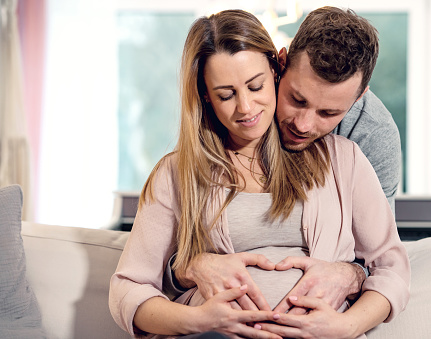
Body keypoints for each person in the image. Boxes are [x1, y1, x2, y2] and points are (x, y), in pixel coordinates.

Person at [109, 8, 410, 339]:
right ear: (281, 67)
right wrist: (200, 315)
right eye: (297, 100)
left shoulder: (349, 154)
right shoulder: (177, 172)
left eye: (328, 113)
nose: (303, 124)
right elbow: (130, 288)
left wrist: (346, 324)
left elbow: (389, 267)